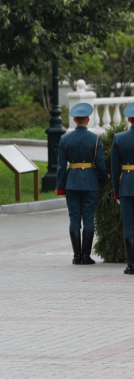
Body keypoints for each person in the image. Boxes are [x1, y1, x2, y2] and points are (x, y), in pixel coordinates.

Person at [57, 102, 109, 265]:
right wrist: (105, 177)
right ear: (87, 119)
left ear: (75, 121)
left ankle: (76, 256)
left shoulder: (65, 139)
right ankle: (85, 256)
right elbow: (100, 163)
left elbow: (60, 167)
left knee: (73, 218)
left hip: (71, 182)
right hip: (89, 183)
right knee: (88, 218)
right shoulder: (95, 139)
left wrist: (60, 187)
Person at [111, 103, 134, 274]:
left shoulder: (119, 139)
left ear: (128, 119)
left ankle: (131, 264)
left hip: (126, 185)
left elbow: (114, 169)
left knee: (128, 225)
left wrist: (116, 190)